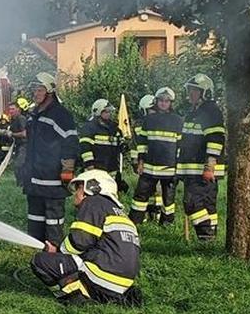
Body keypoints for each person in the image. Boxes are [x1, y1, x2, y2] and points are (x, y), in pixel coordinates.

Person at [30, 169, 141, 306]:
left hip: (101, 279)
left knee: (40, 261)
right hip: (122, 286)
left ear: (90, 187)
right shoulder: (120, 214)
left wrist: (57, 252)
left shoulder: (93, 202)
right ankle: (105, 298)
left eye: (78, 188)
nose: (75, 194)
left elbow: (79, 241)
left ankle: (79, 299)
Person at [20, 73, 79, 244]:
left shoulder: (61, 115)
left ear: (50, 92)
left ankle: (54, 248)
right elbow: (30, 143)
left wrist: (68, 168)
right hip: (34, 178)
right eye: (35, 90)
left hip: (52, 178)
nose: (36, 93)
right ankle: (36, 246)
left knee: (53, 219)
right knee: (35, 217)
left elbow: (71, 142)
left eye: (40, 90)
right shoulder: (34, 115)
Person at [177, 74, 226, 240]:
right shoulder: (193, 113)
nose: (190, 94)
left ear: (206, 93)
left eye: (195, 91)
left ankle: (205, 236)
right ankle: (209, 240)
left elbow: (216, 139)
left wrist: (209, 166)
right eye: (190, 90)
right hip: (193, 169)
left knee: (191, 202)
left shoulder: (210, 112)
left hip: (204, 169)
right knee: (207, 204)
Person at [130, 87, 182, 225]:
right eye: (161, 100)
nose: (164, 103)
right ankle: (135, 221)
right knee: (140, 195)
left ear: (171, 103)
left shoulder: (178, 121)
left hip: (169, 167)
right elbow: (142, 143)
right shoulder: (149, 120)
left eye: (167, 101)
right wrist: (140, 162)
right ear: (156, 102)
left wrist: (179, 166)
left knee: (168, 198)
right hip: (149, 166)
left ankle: (167, 223)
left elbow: (181, 145)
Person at [78, 99, 128, 191]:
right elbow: (85, 148)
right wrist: (90, 166)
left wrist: (123, 145)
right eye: (106, 111)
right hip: (95, 169)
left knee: (110, 194)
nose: (109, 114)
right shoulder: (89, 127)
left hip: (111, 170)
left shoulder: (114, 128)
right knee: (94, 194)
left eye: (110, 111)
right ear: (98, 112)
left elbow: (119, 144)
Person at [131, 94, 164, 223]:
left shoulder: (162, 122)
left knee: (158, 191)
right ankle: (144, 215)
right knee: (145, 190)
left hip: (159, 163)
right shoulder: (139, 126)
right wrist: (135, 161)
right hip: (145, 163)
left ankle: (157, 213)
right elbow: (136, 144)